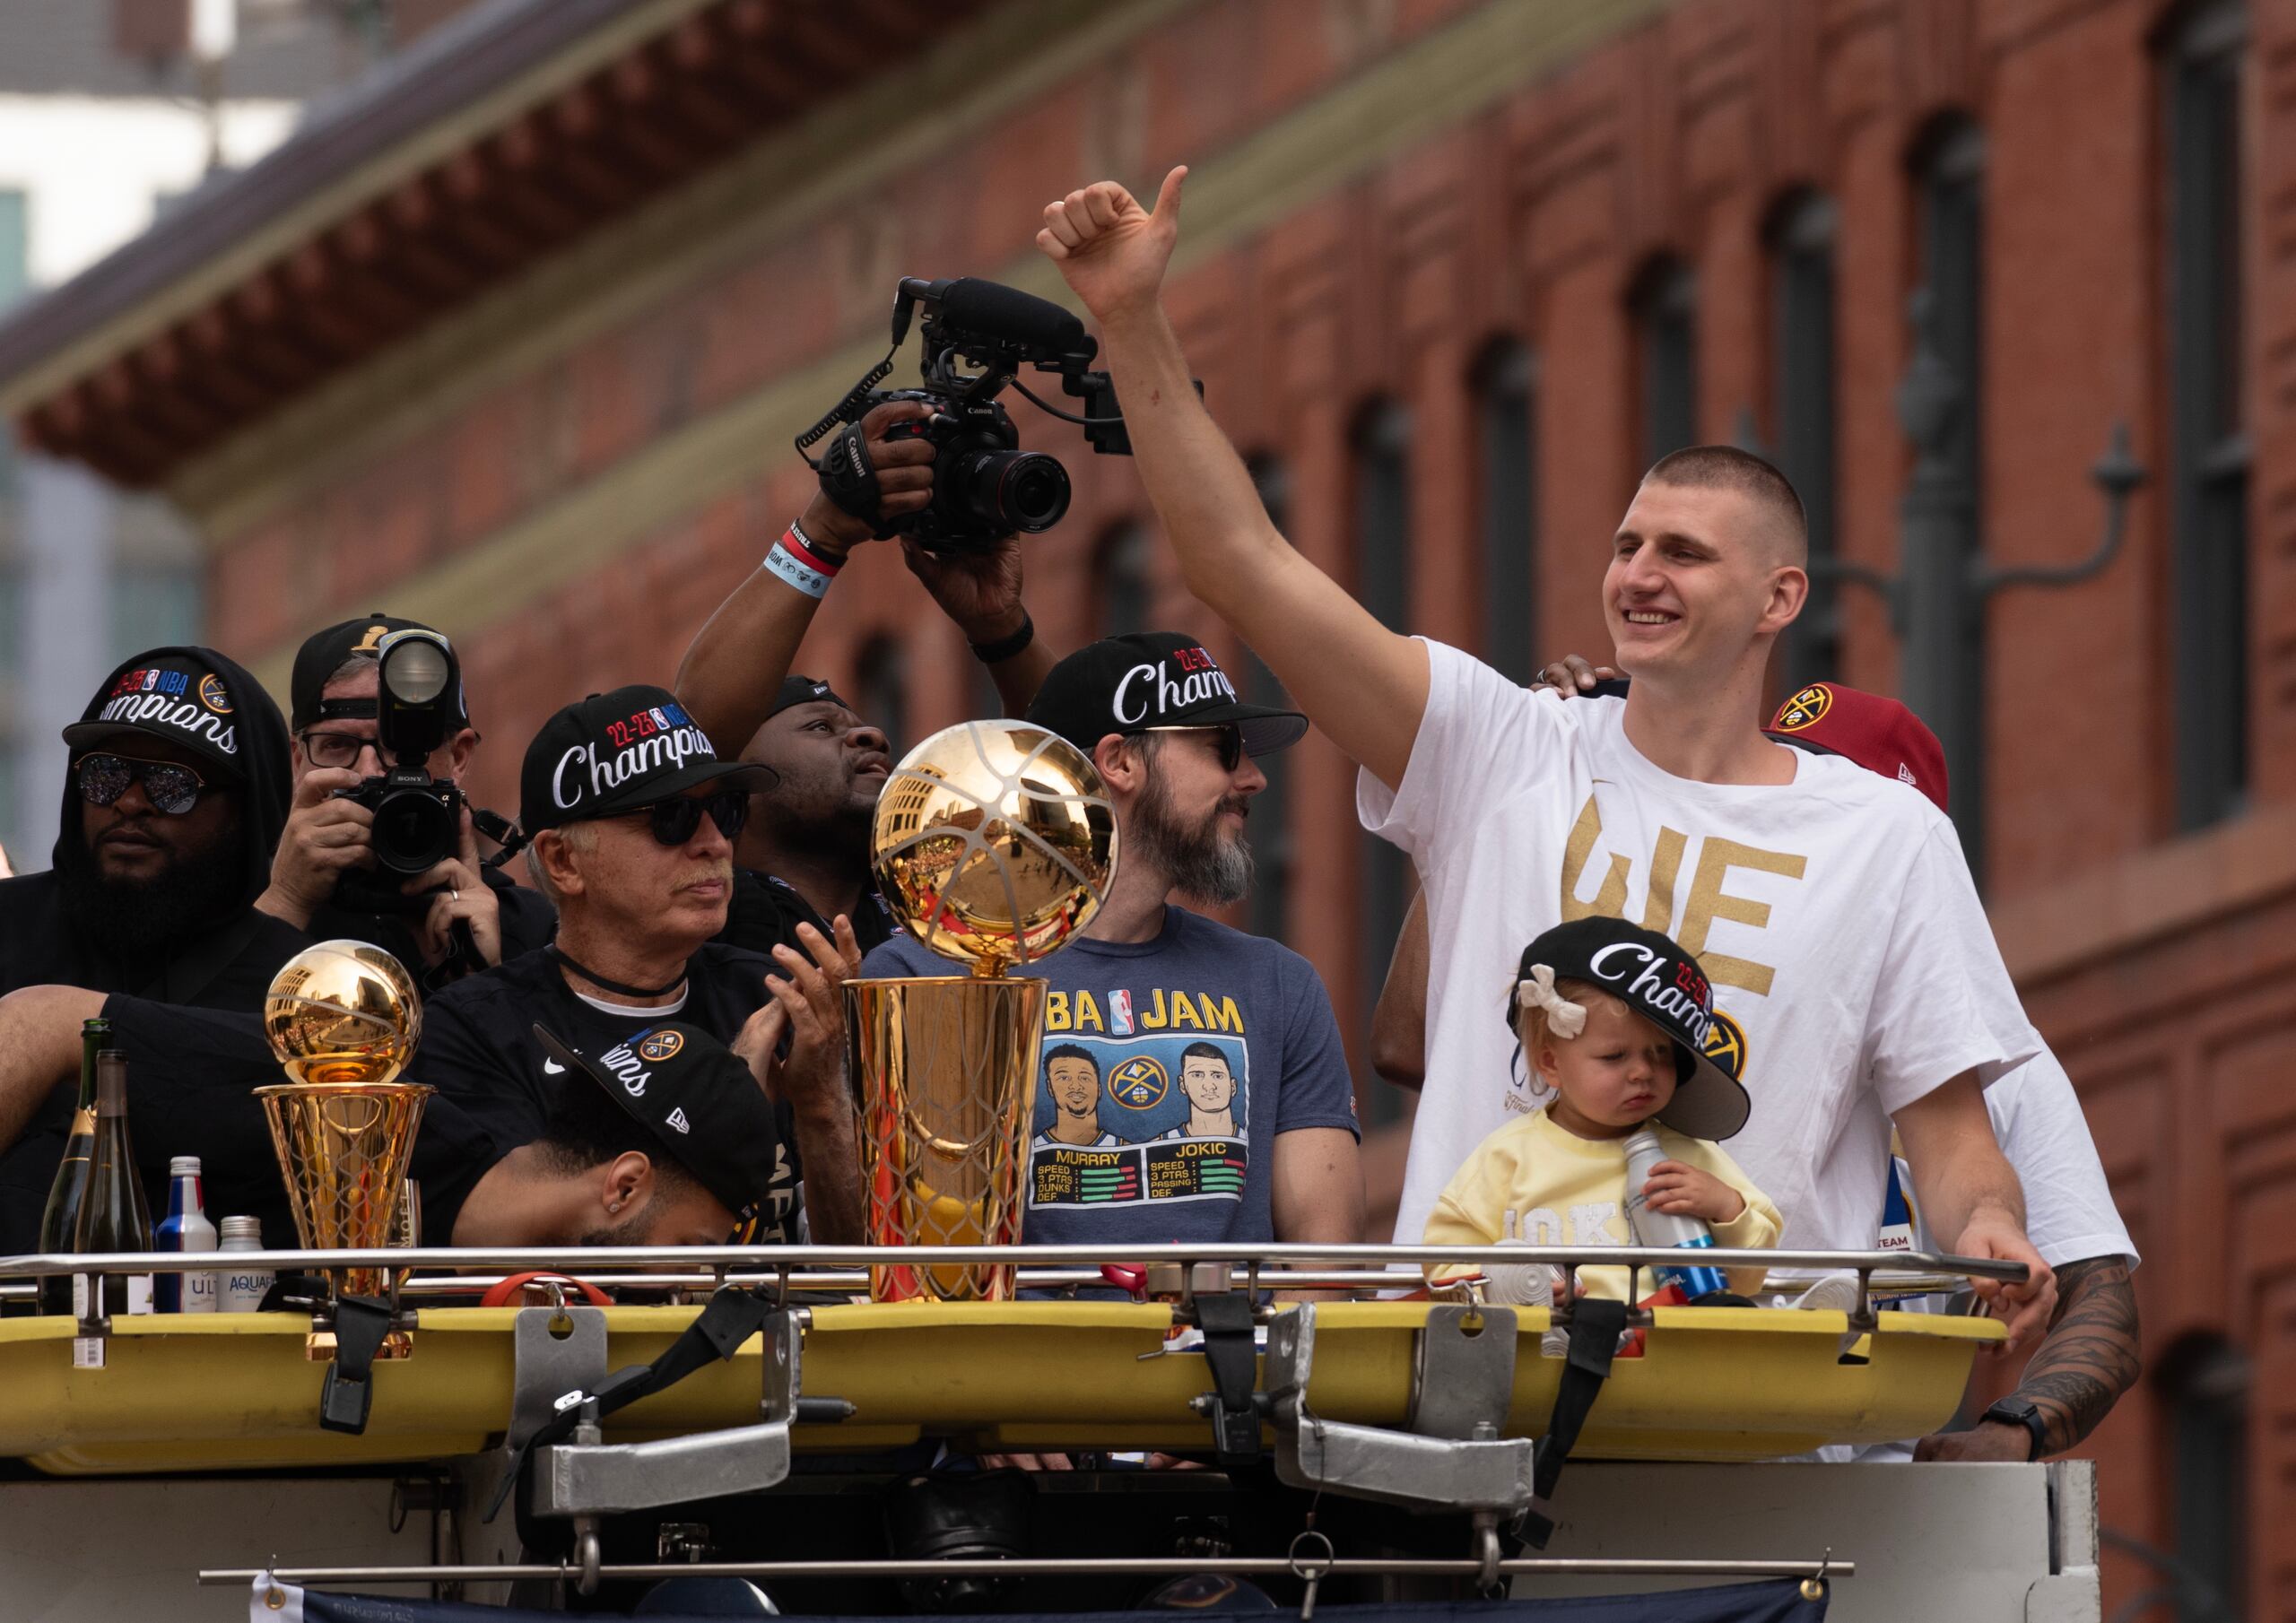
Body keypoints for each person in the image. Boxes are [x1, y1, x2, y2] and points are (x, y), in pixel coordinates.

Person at [1034, 169, 2056, 1349]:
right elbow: (1240, 561)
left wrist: (1990, 1230)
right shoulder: (1497, 744)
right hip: (1477, 1412)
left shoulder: (1887, 837)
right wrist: (1130, 321)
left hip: (1755, 1417)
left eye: (1684, 551)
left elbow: (1953, 1143)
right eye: (1627, 545)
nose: (1637, 574)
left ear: (1782, 596)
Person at [1383, 668, 2142, 1459]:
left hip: (1844, 1471)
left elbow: (2105, 1301)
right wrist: (1489, 820)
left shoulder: (1988, 1062)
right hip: (1596, 1418)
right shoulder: (1657, 997)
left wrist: (2006, 1435)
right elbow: (1407, 1047)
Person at [861, 632, 1364, 1254]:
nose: (1254, 779)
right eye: (1223, 749)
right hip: (1023, 1352)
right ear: (1120, 762)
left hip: (1232, 1351)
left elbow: (1326, 1265)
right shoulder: (923, 972)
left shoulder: (1278, 982)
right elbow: (925, 1255)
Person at [405, 683, 864, 1245]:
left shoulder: (775, 995)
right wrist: (725, 1096)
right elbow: (513, 1241)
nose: (715, 843)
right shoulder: (474, 1029)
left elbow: (866, 1271)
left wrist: (822, 1106)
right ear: (563, 860)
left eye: (725, 810)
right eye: (672, 818)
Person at [675, 405, 1061, 967]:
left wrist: (999, 627)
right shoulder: (696, 924)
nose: (873, 737)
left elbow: (1071, 787)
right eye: (819, 726)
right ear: (734, 787)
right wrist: (823, 532)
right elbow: (698, 729)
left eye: (860, 726)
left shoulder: (943, 914)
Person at [0, 647, 309, 1250]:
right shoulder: (6, 927)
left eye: (172, 785)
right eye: (106, 775)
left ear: (243, 813)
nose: (130, 802)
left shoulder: (298, 984)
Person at [1423, 916, 1779, 1306]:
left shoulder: (1691, 1155)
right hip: (1546, 1348)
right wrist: (1502, 1287)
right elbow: (1443, 1262)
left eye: (1662, 1054)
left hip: (1665, 1350)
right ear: (1551, 1064)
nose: (1643, 1071)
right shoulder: (1507, 1155)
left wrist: (1727, 1208)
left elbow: (1749, 1280)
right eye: (1614, 1056)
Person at [258, 613, 554, 985]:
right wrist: (285, 902)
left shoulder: (534, 932)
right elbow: (197, 1036)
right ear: (298, 761)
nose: (368, 770)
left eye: (402, 748)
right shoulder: (234, 907)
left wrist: (479, 978)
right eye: (337, 745)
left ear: (459, 757)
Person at [444, 1023, 788, 1248]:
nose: (689, 1287)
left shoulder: (564, 1305)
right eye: (691, 1247)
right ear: (625, 1186)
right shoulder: (397, 1142)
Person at [1034, 1046, 1116, 1148]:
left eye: (1085, 1078)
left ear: (1099, 1088)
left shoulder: (1125, 1149)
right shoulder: (1027, 1150)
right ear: (1050, 1087)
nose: (1076, 1086)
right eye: (1064, 1078)